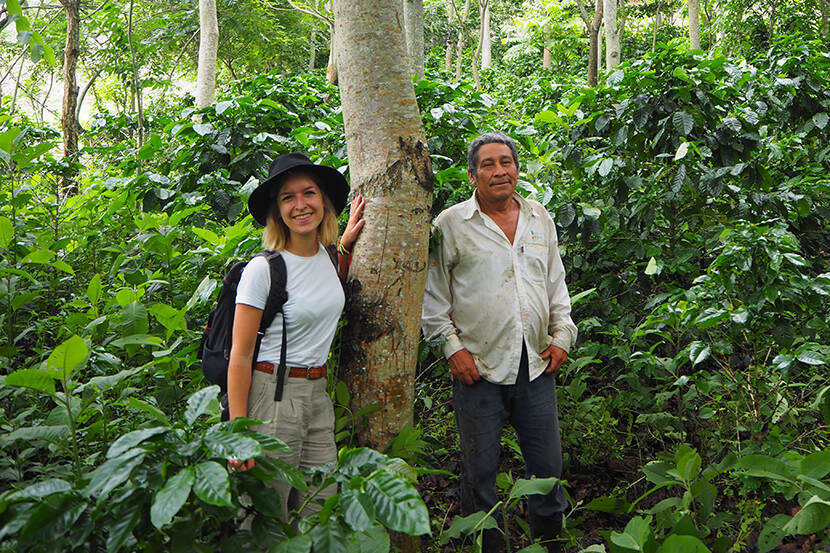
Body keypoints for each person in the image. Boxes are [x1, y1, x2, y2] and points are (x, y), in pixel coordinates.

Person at [422, 132, 577, 553]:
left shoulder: (538, 217)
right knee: (480, 476)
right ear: (473, 175)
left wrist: (563, 334)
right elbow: (433, 298)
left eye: (505, 162)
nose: (499, 171)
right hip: (479, 370)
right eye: (488, 164)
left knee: (547, 473)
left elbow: (554, 282)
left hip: (537, 365)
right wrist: (452, 349)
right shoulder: (450, 225)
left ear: (517, 168)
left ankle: (550, 546)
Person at [226, 152, 364, 520]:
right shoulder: (263, 270)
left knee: (320, 506)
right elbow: (240, 355)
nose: (300, 205)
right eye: (288, 197)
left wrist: (347, 240)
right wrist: (237, 435)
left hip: (318, 397)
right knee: (265, 514)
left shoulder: (327, 257)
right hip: (272, 396)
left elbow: (326, 284)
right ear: (277, 211)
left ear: (324, 201)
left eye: (309, 193)